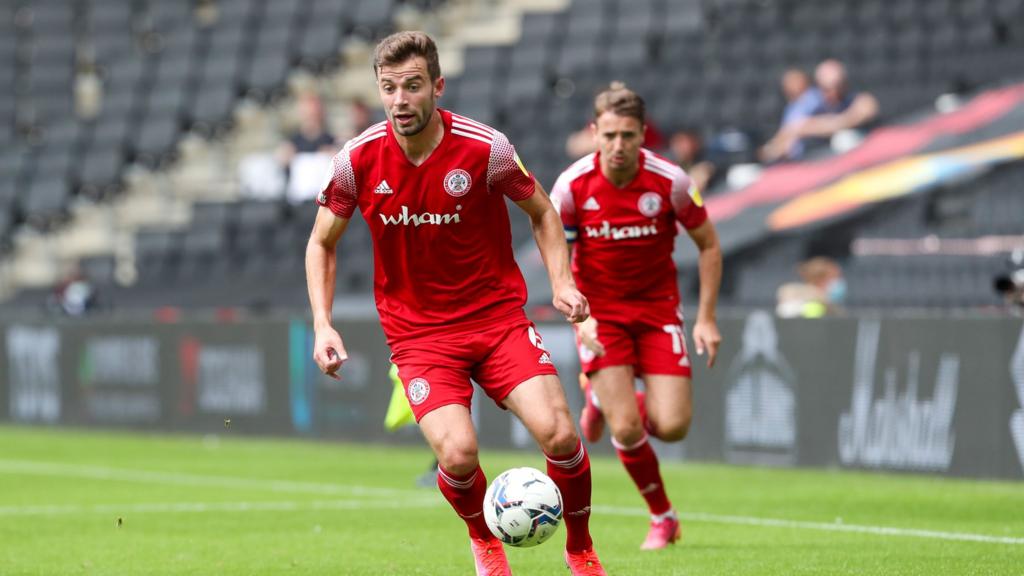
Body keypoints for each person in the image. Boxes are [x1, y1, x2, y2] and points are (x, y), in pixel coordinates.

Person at [306, 32, 606, 575]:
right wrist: (323, 325)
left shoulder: (485, 149)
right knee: (459, 455)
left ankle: (581, 550)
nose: (400, 99)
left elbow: (542, 212)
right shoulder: (356, 161)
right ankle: (483, 540)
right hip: (419, 337)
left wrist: (560, 282)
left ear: (437, 87)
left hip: (497, 322)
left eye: (413, 86)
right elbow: (321, 242)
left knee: (561, 435)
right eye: (389, 87)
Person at [550, 83, 722, 551]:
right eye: (609, 135)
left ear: (643, 134)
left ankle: (607, 399)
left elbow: (708, 245)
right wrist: (577, 314)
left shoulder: (672, 182)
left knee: (673, 427)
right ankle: (663, 517)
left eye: (628, 135)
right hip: (600, 314)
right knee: (626, 429)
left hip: (657, 309)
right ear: (594, 133)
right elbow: (557, 258)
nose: (618, 146)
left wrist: (705, 318)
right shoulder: (571, 186)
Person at [760, 60, 879, 163]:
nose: (834, 93)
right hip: (810, 160)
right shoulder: (808, 102)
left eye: (838, 86)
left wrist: (828, 124)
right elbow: (793, 129)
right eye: (827, 88)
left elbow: (868, 107)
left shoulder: (852, 98)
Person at [383, 362, 440, 488]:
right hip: (412, 376)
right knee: (433, 428)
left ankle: (439, 470)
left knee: (437, 426)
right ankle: (439, 470)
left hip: (426, 376)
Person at [279, 93, 338, 204]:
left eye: (314, 113)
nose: (311, 117)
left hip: (324, 202)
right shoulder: (292, 143)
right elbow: (281, 162)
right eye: (308, 114)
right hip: (299, 203)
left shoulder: (331, 141)